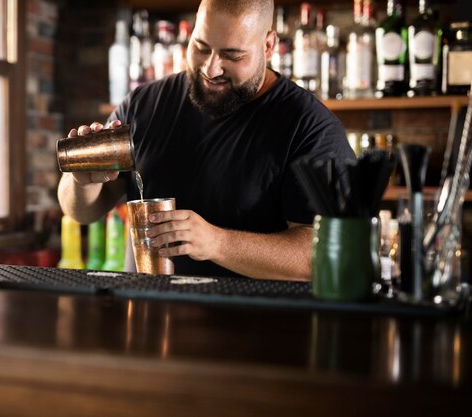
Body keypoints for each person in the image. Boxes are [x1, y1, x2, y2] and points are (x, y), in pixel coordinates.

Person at [57, 0, 355, 280]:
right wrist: (83, 180)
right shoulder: (144, 105)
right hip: (149, 318)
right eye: (201, 48)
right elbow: (81, 211)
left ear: (268, 46)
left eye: (232, 55)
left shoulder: (309, 127)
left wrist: (216, 243)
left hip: (258, 330)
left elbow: (331, 255)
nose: (211, 68)